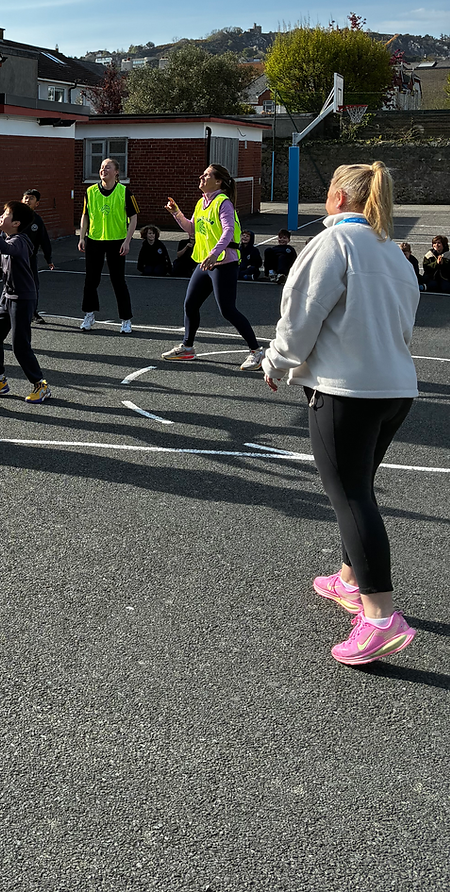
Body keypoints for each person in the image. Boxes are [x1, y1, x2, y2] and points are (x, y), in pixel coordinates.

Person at [262, 162, 419, 666]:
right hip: (395, 387)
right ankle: (350, 580)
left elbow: (301, 311)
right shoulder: (393, 252)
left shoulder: (332, 244)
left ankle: (379, 618)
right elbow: (406, 320)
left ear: (337, 197)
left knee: (351, 497)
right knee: (360, 489)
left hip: (344, 390)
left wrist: (277, 362)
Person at [161, 164, 264, 369]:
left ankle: (257, 351)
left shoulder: (223, 202)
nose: (201, 176)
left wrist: (214, 253)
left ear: (218, 182)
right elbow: (192, 228)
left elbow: (228, 231)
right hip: (206, 263)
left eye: (207, 175)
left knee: (227, 310)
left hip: (224, 262)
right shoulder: (201, 203)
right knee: (190, 304)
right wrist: (177, 213)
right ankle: (187, 348)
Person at [0, 200, 50, 403]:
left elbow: (4, 248)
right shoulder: (10, 241)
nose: (1, 217)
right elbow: (8, 273)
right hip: (7, 298)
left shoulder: (19, 241)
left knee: (20, 345)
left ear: (16, 223)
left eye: (5, 214)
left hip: (23, 299)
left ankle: (40, 385)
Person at [78, 157, 139, 333]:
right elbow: (85, 215)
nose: (103, 170)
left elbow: (134, 217)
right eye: (102, 167)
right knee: (91, 280)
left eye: (108, 167)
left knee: (118, 281)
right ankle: (89, 315)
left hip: (116, 240)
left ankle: (126, 319)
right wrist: (82, 237)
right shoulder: (90, 191)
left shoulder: (124, 192)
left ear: (116, 172)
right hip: (95, 240)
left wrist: (127, 241)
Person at [21, 188, 54, 324]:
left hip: (30, 259)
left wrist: (49, 259)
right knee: (11, 285)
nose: (28, 200)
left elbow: (44, 240)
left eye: (31, 198)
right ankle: (10, 312)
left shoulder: (37, 221)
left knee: (33, 285)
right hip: (14, 258)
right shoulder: (13, 216)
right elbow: (3, 234)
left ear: (37, 204)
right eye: (26, 198)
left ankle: (33, 312)